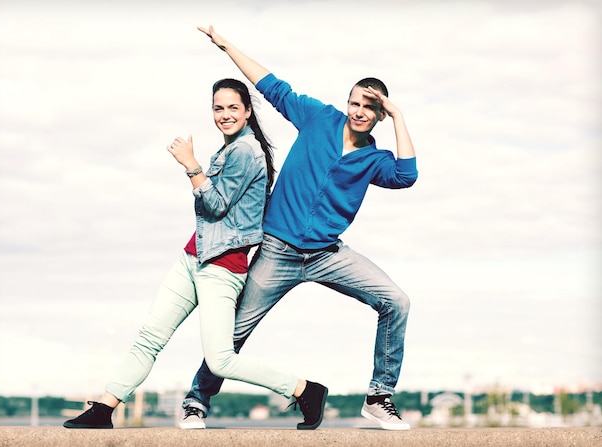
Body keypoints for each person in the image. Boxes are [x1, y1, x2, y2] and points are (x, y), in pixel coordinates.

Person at [179, 26, 419, 431]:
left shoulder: (375, 159)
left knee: (397, 301)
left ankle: (380, 397)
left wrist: (399, 115)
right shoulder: (319, 118)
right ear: (347, 103)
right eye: (355, 102)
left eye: (370, 107)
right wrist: (226, 46)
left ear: (379, 114)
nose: (359, 110)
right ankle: (195, 401)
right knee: (234, 332)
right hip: (278, 250)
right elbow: (272, 86)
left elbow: (406, 174)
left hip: (329, 255)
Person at [62, 78, 328, 431]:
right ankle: (105, 408)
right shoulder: (230, 149)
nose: (225, 114)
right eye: (218, 108)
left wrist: (191, 165)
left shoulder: (246, 151)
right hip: (193, 257)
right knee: (150, 338)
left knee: (220, 361)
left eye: (233, 107)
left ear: (248, 111)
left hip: (222, 267)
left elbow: (216, 206)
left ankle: (303, 390)